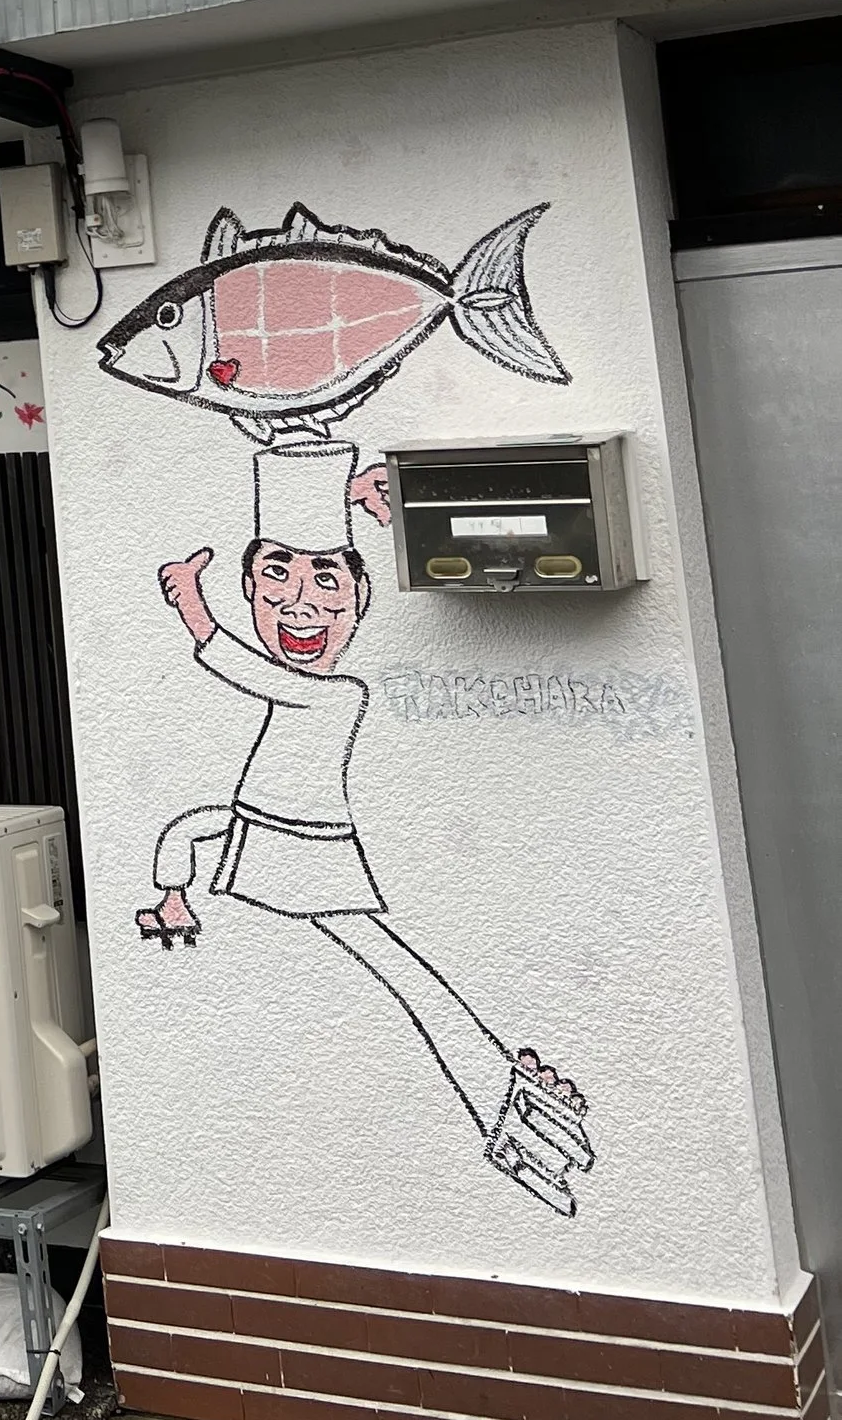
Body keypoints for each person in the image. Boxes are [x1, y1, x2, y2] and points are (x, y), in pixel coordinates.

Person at [138, 444, 596, 1218]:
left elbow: (247, 675)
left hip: (304, 857)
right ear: (250, 585)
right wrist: (174, 888)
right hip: (270, 850)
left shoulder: (336, 696)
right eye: (275, 576)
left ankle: (504, 1102)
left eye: (326, 580)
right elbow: (211, 820)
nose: (300, 604)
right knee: (399, 978)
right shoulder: (314, 698)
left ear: (360, 596)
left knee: (405, 981)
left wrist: (194, 608)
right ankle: (508, 1097)